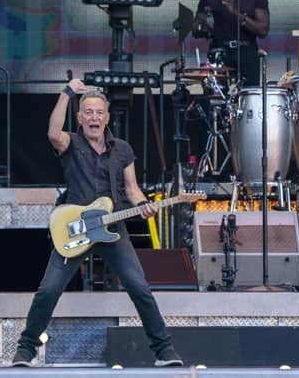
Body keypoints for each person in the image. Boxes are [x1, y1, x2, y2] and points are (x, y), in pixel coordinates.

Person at [11, 79, 183, 367]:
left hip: (113, 228)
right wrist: (67, 93)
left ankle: (165, 352)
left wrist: (142, 205)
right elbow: (53, 132)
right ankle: (25, 351)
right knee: (49, 290)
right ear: (80, 118)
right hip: (75, 228)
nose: (94, 117)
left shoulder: (123, 150)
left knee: (139, 288)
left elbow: (131, 189)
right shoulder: (71, 143)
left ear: (107, 117)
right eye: (88, 112)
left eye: (98, 112)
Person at [193, 0, 270, 86]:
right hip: (218, 52)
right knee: (216, 100)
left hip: (247, 52)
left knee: (249, 101)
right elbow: (197, 25)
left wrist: (235, 12)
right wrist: (202, 27)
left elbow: (263, 30)